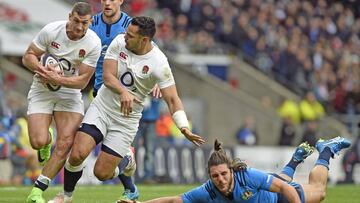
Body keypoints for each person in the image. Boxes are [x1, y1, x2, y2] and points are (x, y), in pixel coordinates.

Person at [49, 16, 205, 203]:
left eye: (130, 36)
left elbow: (172, 98)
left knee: (102, 173)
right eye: (126, 33)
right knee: (77, 154)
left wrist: (183, 126)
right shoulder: (119, 42)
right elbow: (107, 76)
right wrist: (123, 92)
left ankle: (126, 160)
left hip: (126, 120)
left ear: (144, 40)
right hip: (102, 108)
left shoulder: (159, 63)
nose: (125, 37)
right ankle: (66, 196)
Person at [22, 2, 101, 203]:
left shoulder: (93, 43)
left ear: (90, 21)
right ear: (69, 16)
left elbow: (82, 81)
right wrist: (42, 70)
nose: (80, 27)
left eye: (84, 23)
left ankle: (37, 191)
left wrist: (57, 79)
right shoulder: (52, 30)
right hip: (42, 90)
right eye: (76, 21)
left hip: (70, 93)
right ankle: (46, 140)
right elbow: (28, 56)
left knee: (66, 142)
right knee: (37, 141)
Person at [120, 136, 351, 203]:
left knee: (319, 192)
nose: (220, 179)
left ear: (231, 171)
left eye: (223, 174)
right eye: (215, 176)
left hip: (277, 198)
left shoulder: (246, 176)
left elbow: (283, 188)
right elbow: (174, 201)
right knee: (272, 182)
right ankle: (295, 160)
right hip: (268, 186)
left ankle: (326, 150)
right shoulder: (209, 190)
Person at [89, 0, 140, 200]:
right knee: (110, 146)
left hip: (124, 93)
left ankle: (129, 181)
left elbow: (150, 51)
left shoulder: (131, 25)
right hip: (99, 89)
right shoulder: (91, 23)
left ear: (121, 1)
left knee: (108, 145)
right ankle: (131, 188)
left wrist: (155, 82)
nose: (108, 2)